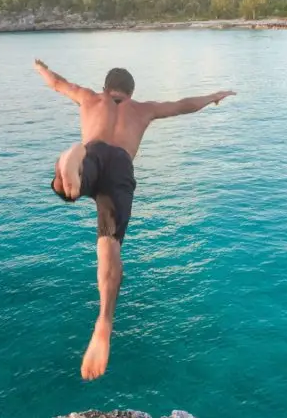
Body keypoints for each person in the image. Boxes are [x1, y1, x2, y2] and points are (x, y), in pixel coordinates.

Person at [35, 59, 236, 380]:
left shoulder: (90, 98)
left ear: (106, 88)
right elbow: (183, 105)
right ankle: (104, 321)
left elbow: (57, 83)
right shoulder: (143, 109)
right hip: (120, 168)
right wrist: (214, 96)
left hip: (93, 154)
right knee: (109, 246)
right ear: (130, 93)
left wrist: (41, 69)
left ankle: (68, 168)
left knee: (68, 190)